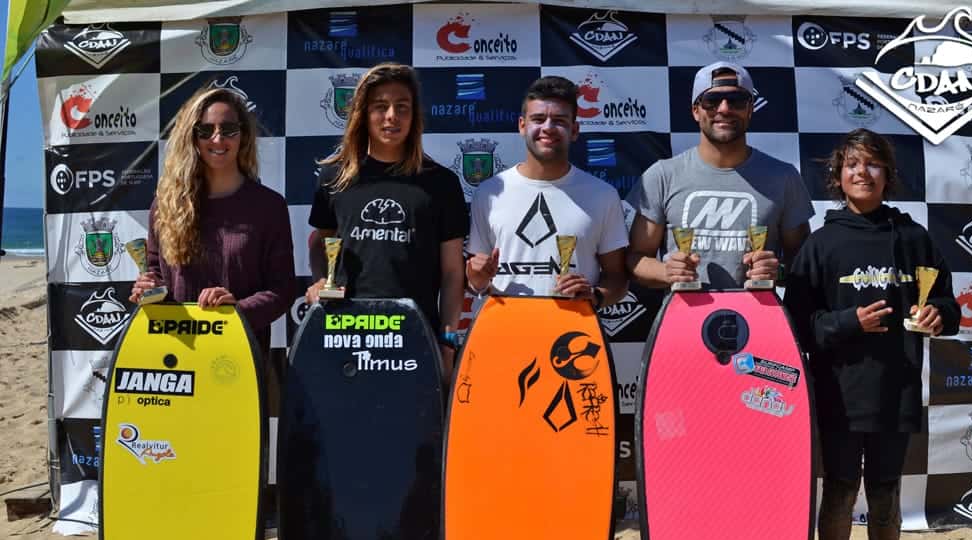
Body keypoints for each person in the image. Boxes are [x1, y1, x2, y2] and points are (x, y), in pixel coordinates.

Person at [783, 129, 960, 540]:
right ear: (838, 176)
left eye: (873, 164)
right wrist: (848, 322)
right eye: (853, 164)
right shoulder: (820, 244)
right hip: (839, 393)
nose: (862, 172)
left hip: (894, 392)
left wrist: (938, 317)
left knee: (885, 493)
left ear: (888, 174)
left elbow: (947, 304)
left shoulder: (913, 237)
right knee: (839, 492)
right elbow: (797, 325)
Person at [304, 63, 467, 379]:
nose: (392, 116)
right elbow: (320, 244)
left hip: (415, 336)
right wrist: (321, 280)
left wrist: (447, 341)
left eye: (402, 107)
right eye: (381, 106)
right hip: (345, 334)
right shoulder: (334, 177)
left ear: (414, 116)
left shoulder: (441, 184)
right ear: (363, 114)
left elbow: (452, 273)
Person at [130, 86, 295, 355]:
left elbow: (283, 290)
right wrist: (148, 289)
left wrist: (237, 311)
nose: (218, 139)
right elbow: (157, 275)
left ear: (243, 135)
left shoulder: (269, 206)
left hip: (239, 355)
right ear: (192, 137)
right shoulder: (166, 205)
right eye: (206, 130)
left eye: (228, 129)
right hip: (177, 353)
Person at [626, 62, 812, 290]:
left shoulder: (784, 177)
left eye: (736, 100)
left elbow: (804, 262)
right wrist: (667, 272)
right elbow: (634, 258)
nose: (724, 109)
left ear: (750, 109)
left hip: (758, 311)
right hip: (683, 311)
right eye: (711, 101)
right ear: (696, 111)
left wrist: (777, 271)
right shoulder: (662, 175)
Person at [465, 75, 627, 307]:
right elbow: (476, 278)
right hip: (506, 324)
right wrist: (477, 280)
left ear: (574, 130)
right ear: (522, 125)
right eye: (538, 119)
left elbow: (617, 277)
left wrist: (595, 296)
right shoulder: (489, 193)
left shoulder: (603, 195)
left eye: (559, 120)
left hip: (573, 324)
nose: (548, 128)